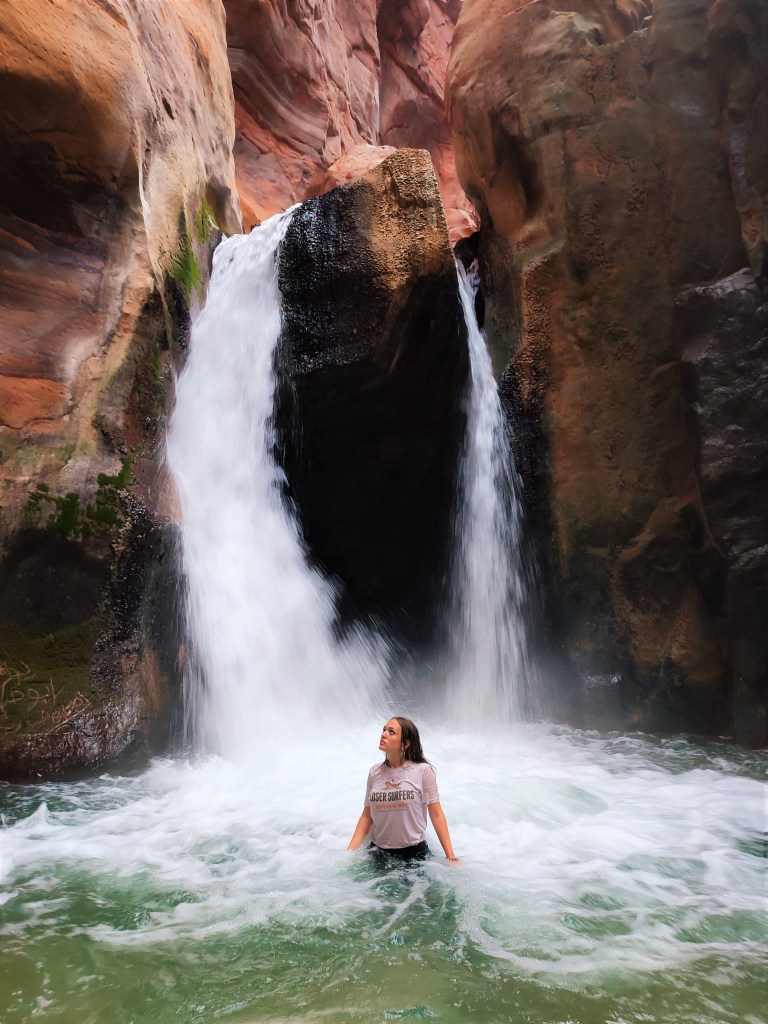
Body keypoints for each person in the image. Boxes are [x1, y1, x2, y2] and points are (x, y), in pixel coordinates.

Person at [347, 716, 459, 864]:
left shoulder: (423, 771)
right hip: (378, 852)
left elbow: (436, 814)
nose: (384, 734)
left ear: (406, 743)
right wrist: (349, 853)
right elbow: (367, 817)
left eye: (391, 732)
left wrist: (451, 856)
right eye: (384, 730)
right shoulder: (374, 772)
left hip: (414, 854)